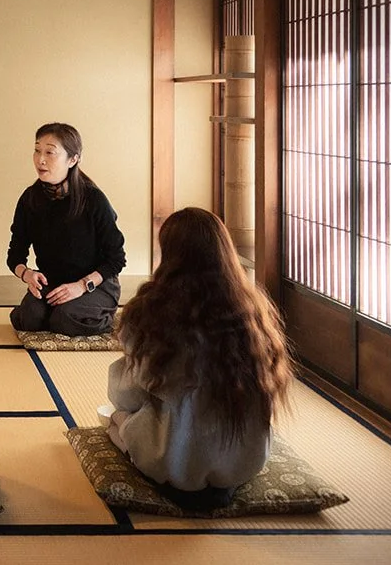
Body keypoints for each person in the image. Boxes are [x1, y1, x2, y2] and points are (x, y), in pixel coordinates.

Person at [105, 207, 293, 508]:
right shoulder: (252, 310)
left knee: (118, 420)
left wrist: (121, 407)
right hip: (242, 461)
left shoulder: (154, 310)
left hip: (175, 463)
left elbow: (128, 394)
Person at [6, 122, 126, 336]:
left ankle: (104, 314)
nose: (40, 159)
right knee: (29, 319)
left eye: (50, 152)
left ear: (73, 159)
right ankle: (57, 311)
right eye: (37, 150)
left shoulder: (93, 199)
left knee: (64, 319)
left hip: (95, 284)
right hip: (53, 283)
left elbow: (116, 258)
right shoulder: (30, 199)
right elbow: (15, 254)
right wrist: (27, 274)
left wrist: (81, 286)